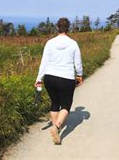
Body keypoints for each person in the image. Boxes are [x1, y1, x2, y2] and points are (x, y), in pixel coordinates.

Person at [34, 17, 84, 145]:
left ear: (57, 28)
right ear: (68, 28)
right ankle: (56, 128)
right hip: (66, 77)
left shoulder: (50, 43)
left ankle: (56, 129)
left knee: (55, 102)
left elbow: (44, 62)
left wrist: (39, 79)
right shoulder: (73, 44)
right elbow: (77, 62)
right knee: (66, 105)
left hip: (50, 77)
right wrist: (79, 75)